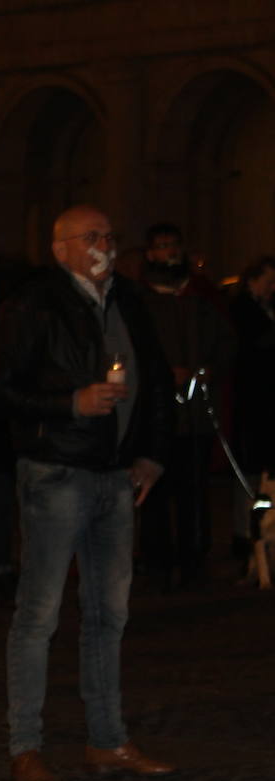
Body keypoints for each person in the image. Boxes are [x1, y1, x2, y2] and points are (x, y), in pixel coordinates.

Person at [0, 204, 175, 781]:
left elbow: (156, 379)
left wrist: (149, 453)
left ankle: (107, 739)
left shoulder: (126, 300)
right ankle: (26, 748)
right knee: (39, 614)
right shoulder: (33, 304)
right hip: (56, 473)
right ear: (61, 247)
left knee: (108, 614)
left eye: (111, 237)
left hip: (115, 475)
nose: (105, 248)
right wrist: (70, 403)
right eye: (91, 238)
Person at [135, 222, 234, 589]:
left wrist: (210, 369)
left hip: (196, 416)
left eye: (173, 245)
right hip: (159, 417)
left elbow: (226, 344)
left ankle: (194, 559)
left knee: (195, 490)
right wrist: (164, 374)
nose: (169, 252)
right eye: (161, 246)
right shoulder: (141, 302)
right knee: (156, 491)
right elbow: (133, 355)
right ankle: (157, 561)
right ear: (150, 253)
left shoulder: (202, 299)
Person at [228, 256, 275, 556]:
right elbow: (252, 347)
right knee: (250, 468)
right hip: (251, 400)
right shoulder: (241, 311)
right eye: (269, 281)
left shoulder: (267, 308)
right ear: (252, 280)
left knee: (265, 471)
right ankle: (246, 533)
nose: (273, 288)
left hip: (268, 400)